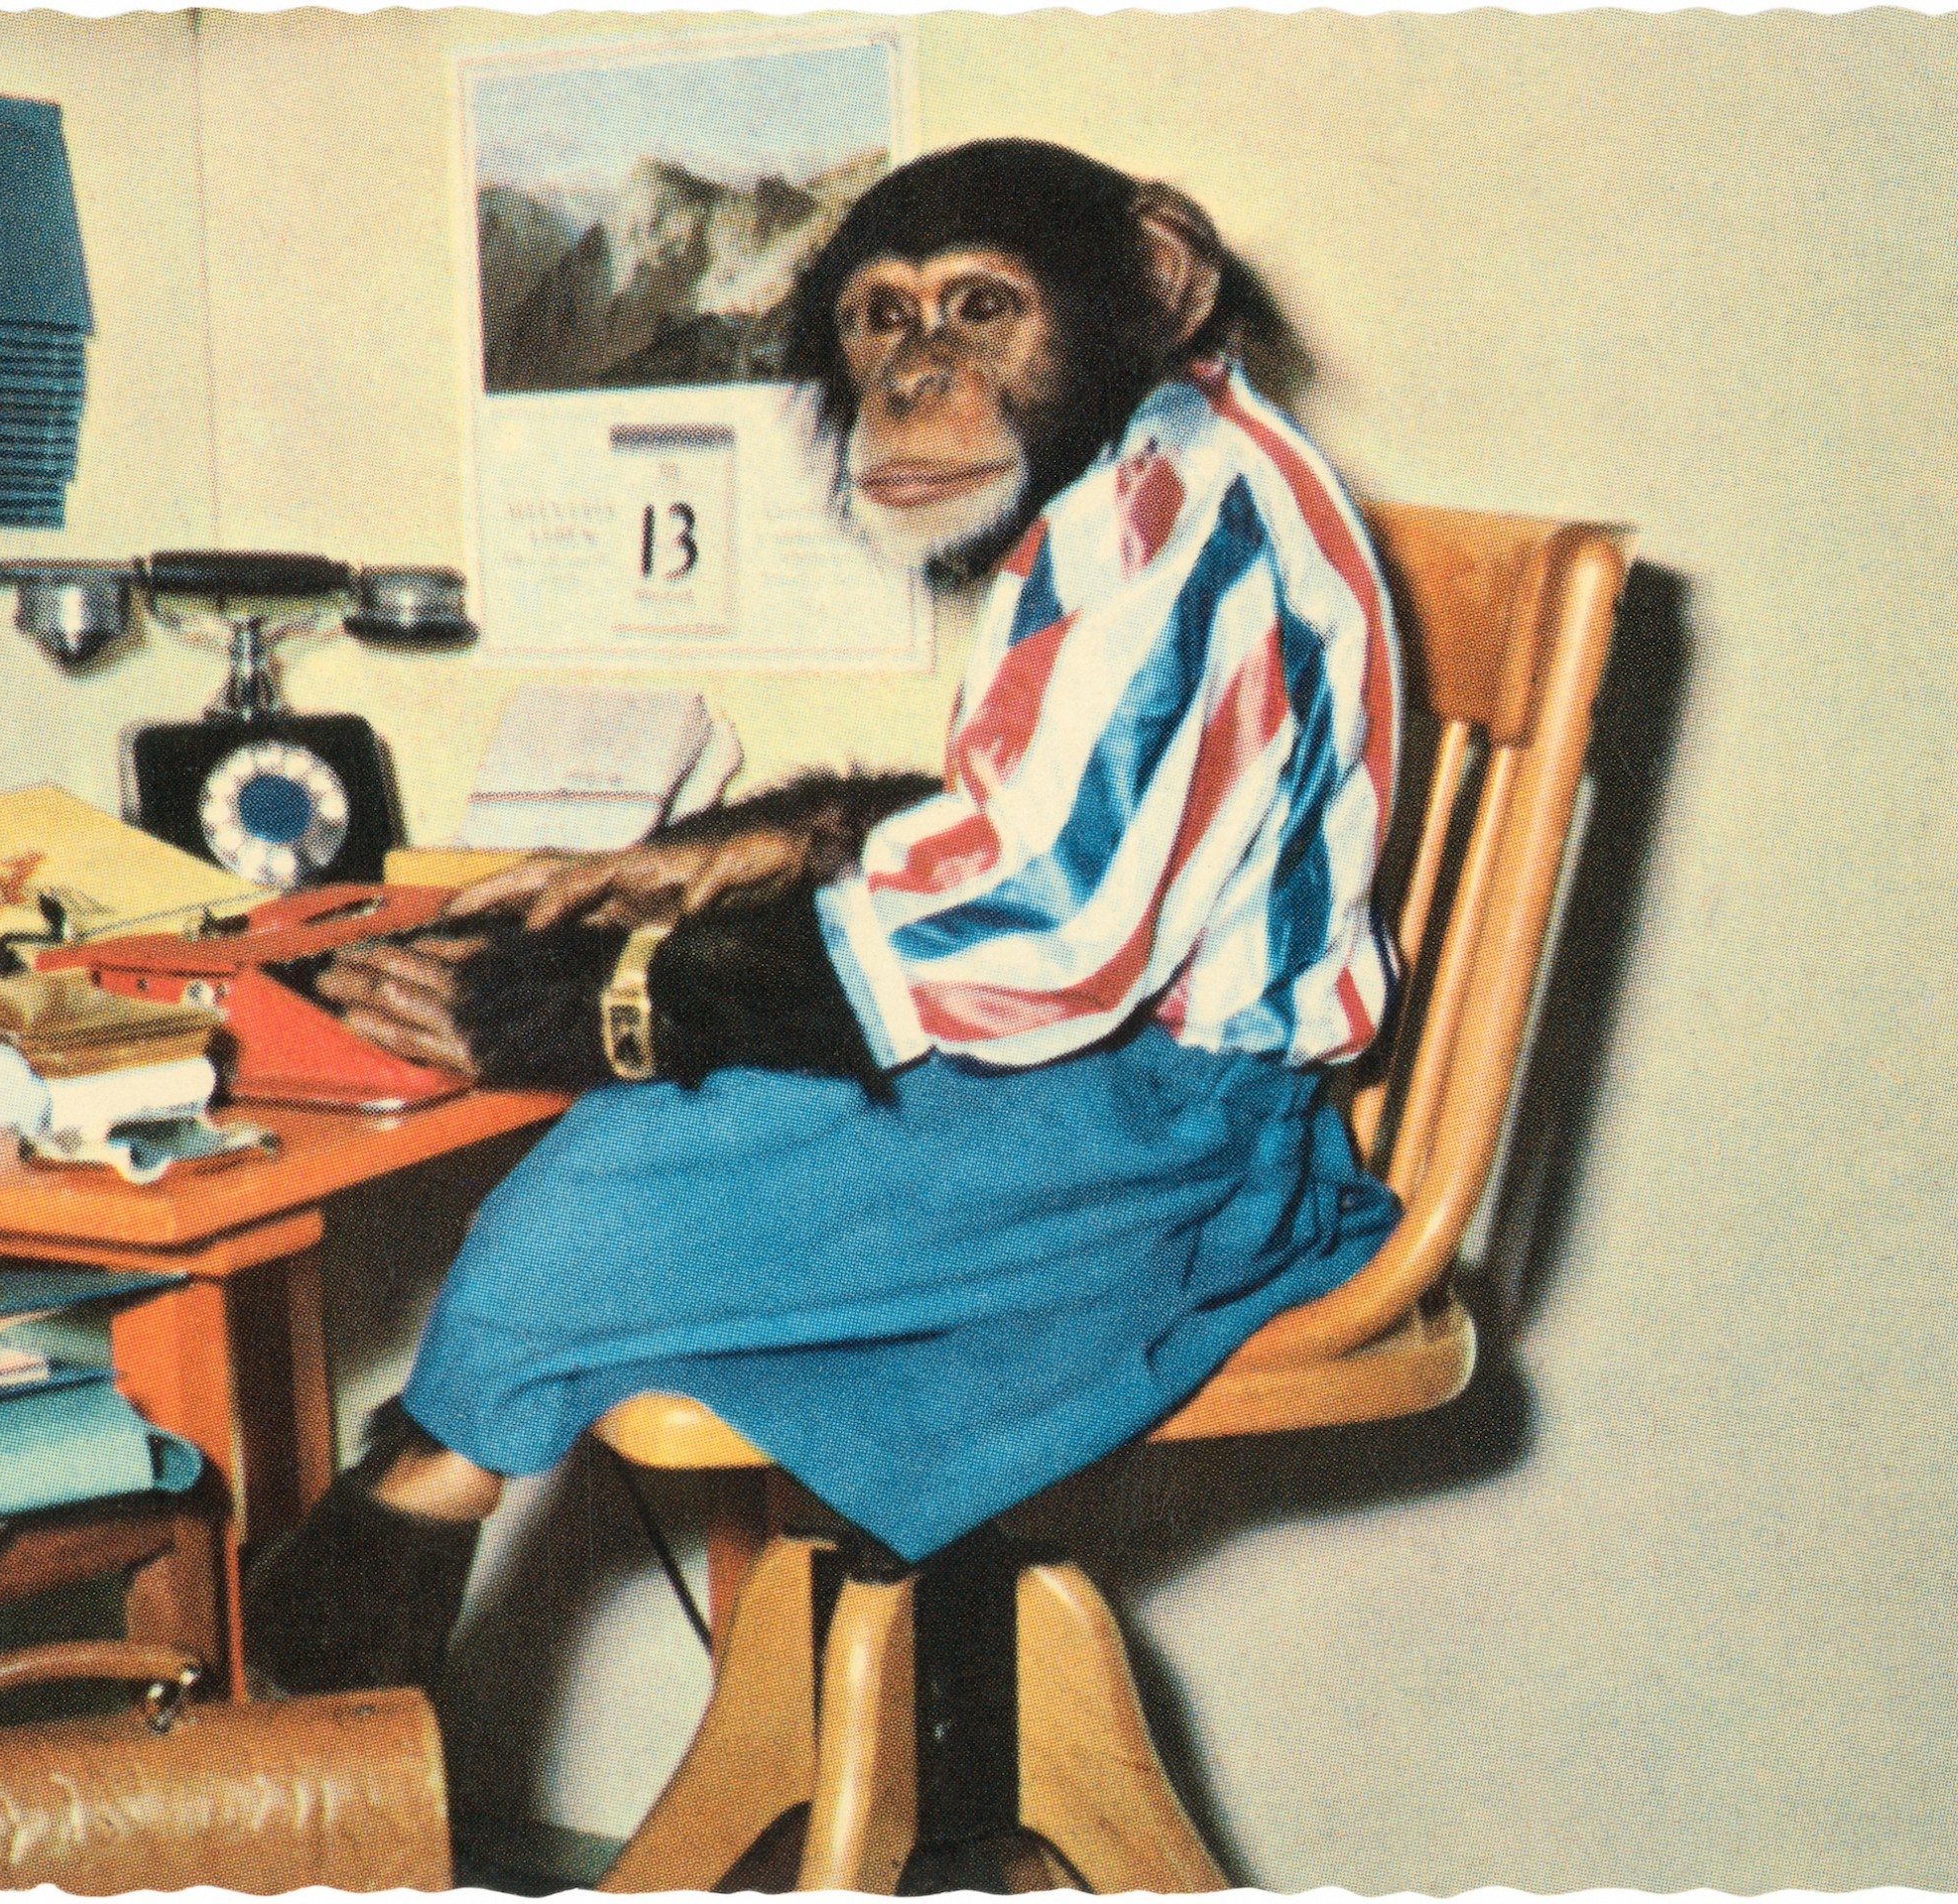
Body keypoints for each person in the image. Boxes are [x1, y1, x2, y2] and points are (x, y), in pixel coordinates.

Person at [246, 140, 1404, 1703]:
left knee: (599, 1190)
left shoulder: (1172, 514)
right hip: (1128, 1091)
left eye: (981, 311)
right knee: (638, 1166)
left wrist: (604, 1011)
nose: (921, 377)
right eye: (881, 323)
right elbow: (1054, 805)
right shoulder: (1153, 472)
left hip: (1173, 1141)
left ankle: (359, 1643)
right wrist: (745, 850)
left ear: (1154, 282)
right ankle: (410, 1583)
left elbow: (1052, 930)